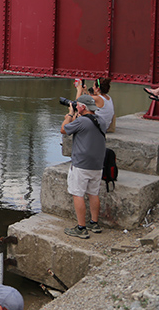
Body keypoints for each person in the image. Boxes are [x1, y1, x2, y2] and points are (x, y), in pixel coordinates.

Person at [61, 94, 106, 238]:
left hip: (81, 164)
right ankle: (94, 223)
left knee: (78, 194)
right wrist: (76, 115)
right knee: (93, 193)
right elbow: (81, 128)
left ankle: (81, 228)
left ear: (83, 107)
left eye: (78, 105)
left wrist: (69, 113)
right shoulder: (101, 120)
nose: (76, 106)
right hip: (97, 164)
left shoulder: (81, 122)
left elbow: (64, 129)